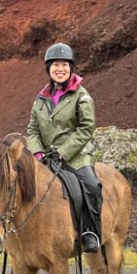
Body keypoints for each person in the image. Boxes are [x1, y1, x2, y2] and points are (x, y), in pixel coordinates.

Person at [26, 42, 102, 252]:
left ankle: (90, 232)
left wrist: (63, 152)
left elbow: (87, 128)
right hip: (45, 157)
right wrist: (37, 151)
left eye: (64, 65)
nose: (60, 69)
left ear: (71, 67)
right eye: (55, 65)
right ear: (49, 69)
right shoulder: (40, 99)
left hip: (76, 156)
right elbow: (32, 130)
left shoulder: (81, 95)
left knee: (92, 186)